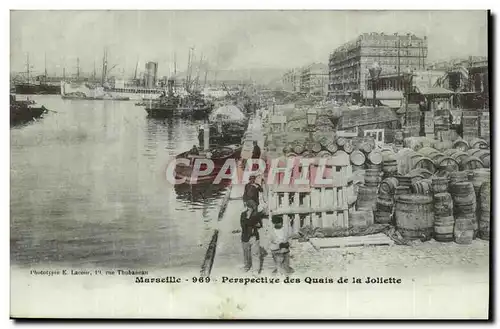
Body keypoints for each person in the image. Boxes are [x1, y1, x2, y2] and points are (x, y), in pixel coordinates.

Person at [240, 205, 263, 275]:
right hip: (245, 237)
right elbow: (243, 225)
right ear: (247, 207)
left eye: (252, 207)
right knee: (246, 253)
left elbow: (260, 224)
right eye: (249, 207)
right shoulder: (243, 214)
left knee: (255, 254)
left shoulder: (256, 215)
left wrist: (252, 223)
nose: (251, 209)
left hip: (254, 236)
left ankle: (256, 270)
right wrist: (251, 221)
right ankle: (247, 266)